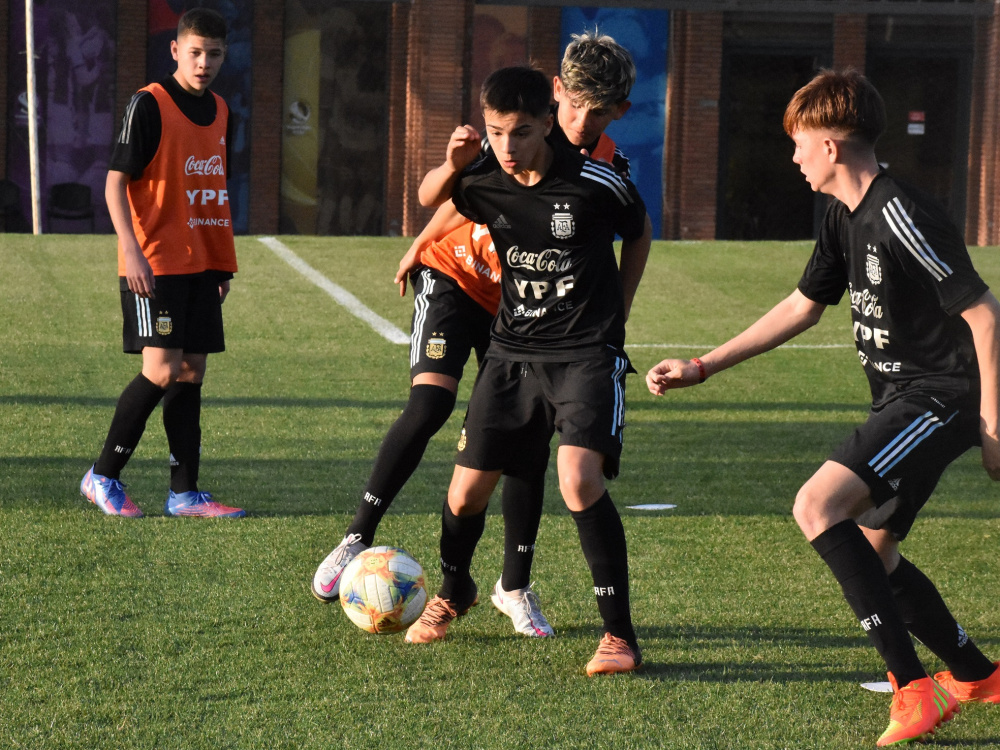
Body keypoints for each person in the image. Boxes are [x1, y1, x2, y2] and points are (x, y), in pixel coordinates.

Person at [646, 69, 1000, 745]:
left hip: (941, 396)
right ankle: (978, 675)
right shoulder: (843, 214)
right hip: (904, 397)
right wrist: (703, 366)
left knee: (816, 505)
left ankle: (912, 690)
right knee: (874, 551)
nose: (793, 156)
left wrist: (992, 427)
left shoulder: (900, 213)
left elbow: (984, 313)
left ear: (831, 146)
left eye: (799, 142)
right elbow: (803, 306)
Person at [311, 32, 637, 640]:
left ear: (618, 111)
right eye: (574, 106)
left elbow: (632, 229)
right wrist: (419, 244)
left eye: (598, 112)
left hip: (527, 316)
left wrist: (612, 312)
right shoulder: (513, 132)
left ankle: (514, 586)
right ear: (556, 96)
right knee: (431, 403)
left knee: (525, 448)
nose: (581, 122)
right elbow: (457, 194)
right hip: (459, 276)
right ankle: (360, 536)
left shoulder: (602, 169)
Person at [402, 65, 652, 677]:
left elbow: (639, 231)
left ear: (546, 122)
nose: (507, 146)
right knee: (465, 493)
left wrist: (618, 312)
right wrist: (454, 163)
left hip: (585, 354)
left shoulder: (596, 181)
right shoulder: (487, 175)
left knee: (577, 480)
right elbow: (432, 197)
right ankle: (455, 590)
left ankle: (619, 636)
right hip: (511, 353)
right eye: (496, 132)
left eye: (519, 132)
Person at [79, 8, 244, 519]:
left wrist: (220, 265)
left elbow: (212, 190)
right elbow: (115, 183)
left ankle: (184, 493)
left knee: (191, 371)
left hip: (202, 264)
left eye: (214, 54)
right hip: (156, 262)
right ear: (175, 50)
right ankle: (102, 475)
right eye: (195, 52)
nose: (204, 63)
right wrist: (130, 250)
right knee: (161, 369)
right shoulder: (148, 103)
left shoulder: (222, 110)